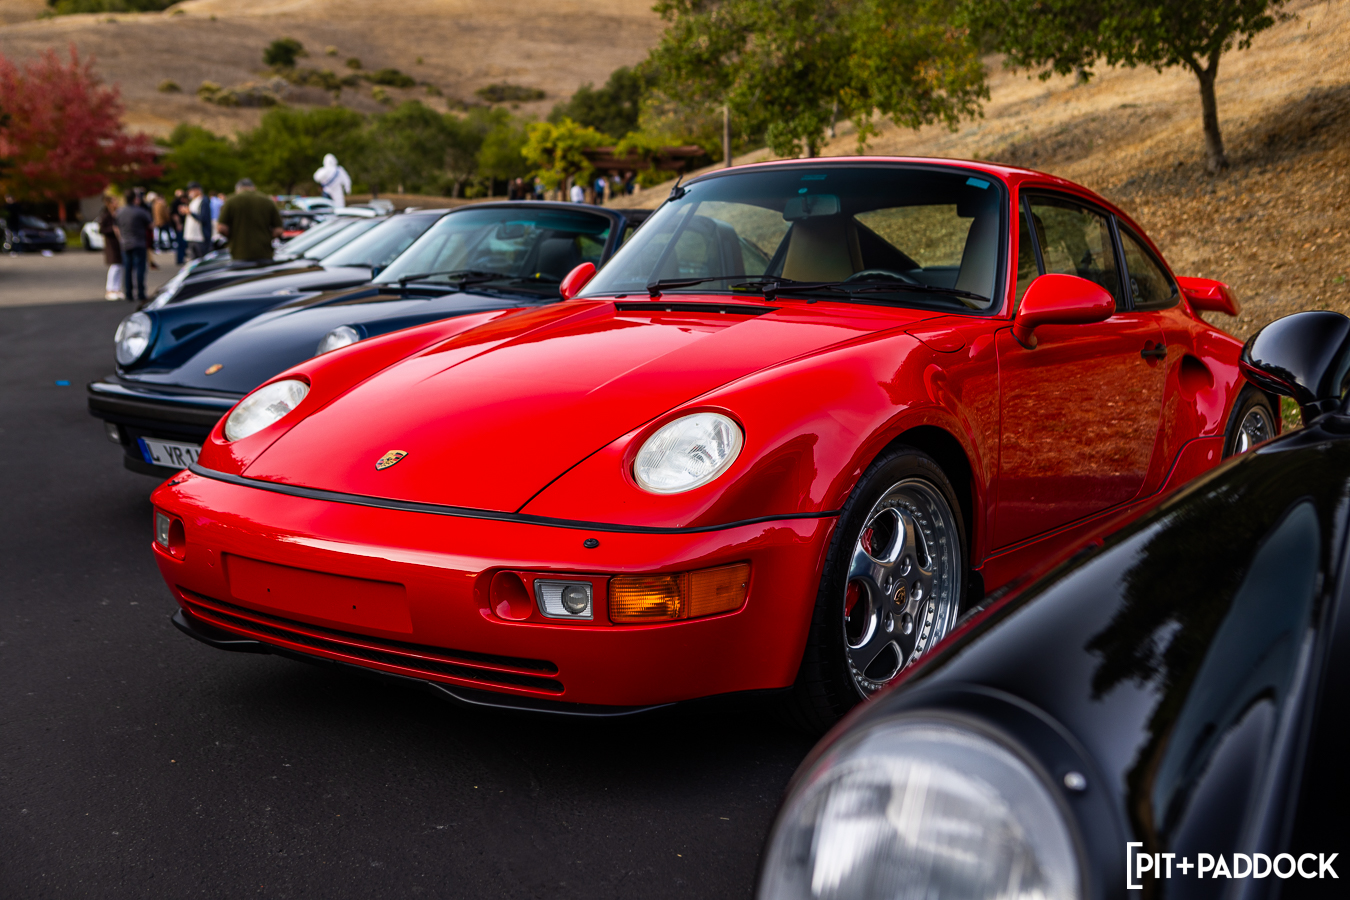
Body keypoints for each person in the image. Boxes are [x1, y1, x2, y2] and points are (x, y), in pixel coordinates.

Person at [216, 178, 282, 263]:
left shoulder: (231, 201)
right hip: (264, 253)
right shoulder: (267, 201)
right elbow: (278, 230)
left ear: (237, 189)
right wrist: (266, 237)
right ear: (254, 188)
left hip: (239, 253)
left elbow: (221, 228)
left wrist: (233, 237)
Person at [114, 189, 153, 303]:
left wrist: (121, 238)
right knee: (140, 268)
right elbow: (151, 225)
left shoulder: (120, 212)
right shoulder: (140, 211)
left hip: (125, 243)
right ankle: (141, 292)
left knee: (128, 269)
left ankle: (129, 293)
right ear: (135, 199)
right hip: (139, 242)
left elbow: (115, 227)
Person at [97, 194, 123, 301]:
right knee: (114, 266)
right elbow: (101, 229)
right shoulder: (106, 215)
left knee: (120, 266)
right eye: (114, 201)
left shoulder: (117, 214)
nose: (116, 203)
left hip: (119, 243)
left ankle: (116, 289)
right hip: (111, 244)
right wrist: (113, 229)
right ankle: (110, 289)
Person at [182, 182, 211, 260]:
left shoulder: (203, 201)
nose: (189, 193)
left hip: (199, 237)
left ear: (197, 190)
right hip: (192, 236)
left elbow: (203, 218)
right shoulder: (194, 201)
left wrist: (190, 213)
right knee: (193, 259)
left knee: (201, 259)